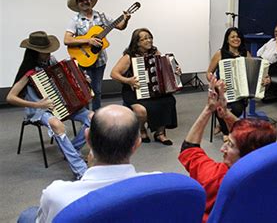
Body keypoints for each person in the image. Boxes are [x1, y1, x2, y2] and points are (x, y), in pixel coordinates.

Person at [17, 104, 160, 223]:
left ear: (87, 138)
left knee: (27, 215)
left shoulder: (56, 193)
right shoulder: (157, 183)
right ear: (137, 144)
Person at [179, 75, 277, 222]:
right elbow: (247, 136)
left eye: (230, 144)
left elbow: (189, 148)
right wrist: (224, 113)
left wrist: (208, 109)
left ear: (246, 153)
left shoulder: (216, 177)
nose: (222, 148)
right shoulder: (272, 172)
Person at [6, 31, 91, 180]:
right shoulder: (29, 71)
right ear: (35, 53)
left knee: (94, 117)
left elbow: (65, 80)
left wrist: (83, 81)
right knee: (56, 124)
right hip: (39, 110)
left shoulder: (52, 61)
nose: (48, 54)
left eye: (48, 50)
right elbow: (10, 97)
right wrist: (37, 104)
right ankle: (80, 170)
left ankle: (72, 149)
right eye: (44, 52)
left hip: (64, 105)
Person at [64, 0, 131, 111]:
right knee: (84, 90)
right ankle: (86, 117)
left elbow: (120, 26)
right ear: (78, 4)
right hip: (83, 59)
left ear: (91, 1)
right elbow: (67, 40)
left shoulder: (101, 16)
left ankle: (97, 116)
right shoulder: (75, 20)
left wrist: (125, 20)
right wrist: (88, 40)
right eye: (81, 0)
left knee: (97, 90)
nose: (85, 2)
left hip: (99, 60)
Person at [110, 28, 178, 145]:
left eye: (150, 37)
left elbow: (165, 68)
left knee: (169, 100)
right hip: (134, 91)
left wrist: (175, 70)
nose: (149, 40)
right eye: (145, 38)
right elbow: (113, 74)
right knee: (141, 111)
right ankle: (141, 129)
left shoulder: (155, 52)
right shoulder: (129, 57)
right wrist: (128, 80)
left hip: (154, 91)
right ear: (137, 42)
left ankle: (160, 133)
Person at [206, 27, 252, 137]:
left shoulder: (245, 53)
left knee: (237, 108)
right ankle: (226, 133)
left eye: (238, 37)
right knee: (219, 106)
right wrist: (216, 83)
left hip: (240, 93)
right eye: (233, 37)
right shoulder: (220, 53)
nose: (236, 39)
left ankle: (222, 126)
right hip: (222, 92)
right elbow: (208, 73)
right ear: (227, 40)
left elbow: (253, 70)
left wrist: (265, 78)